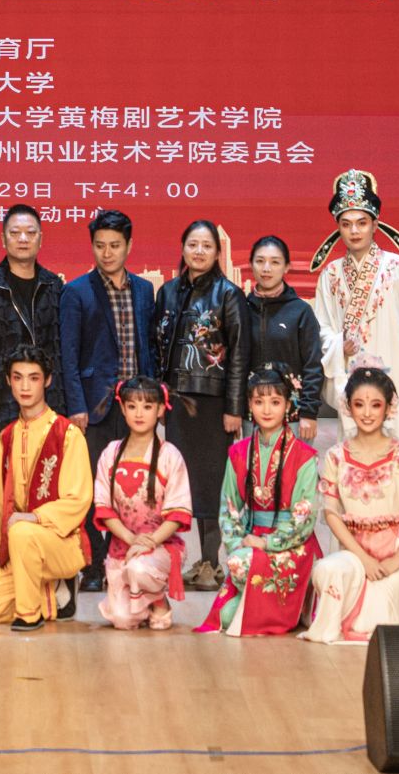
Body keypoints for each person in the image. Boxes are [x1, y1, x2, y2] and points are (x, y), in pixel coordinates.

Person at [148, 217, 248, 592]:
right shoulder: (168, 292)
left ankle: (211, 562)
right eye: (193, 244)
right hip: (177, 402)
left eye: (207, 245)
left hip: (214, 404)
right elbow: (157, 346)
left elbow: (239, 354)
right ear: (183, 249)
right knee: (182, 482)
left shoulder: (229, 294)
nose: (199, 251)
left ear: (217, 252)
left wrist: (234, 407)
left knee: (212, 484)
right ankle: (192, 559)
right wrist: (159, 398)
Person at [60, 209, 157, 594]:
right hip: (94, 407)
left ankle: (128, 556)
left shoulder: (144, 290)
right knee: (92, 488)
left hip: (136, 406)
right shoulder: (76, 292)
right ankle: (95, 564)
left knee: (132, 486)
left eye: (115, 245)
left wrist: (154, 399)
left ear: (129, 245)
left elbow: (149, 348)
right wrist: (76, 405)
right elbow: (68, 355)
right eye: (100, 245)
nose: (107, 253)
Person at [303, 367, 399, 644]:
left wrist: (397, 559)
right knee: (326, 570)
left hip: (397, 553)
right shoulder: (336, 456)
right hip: (354, 551)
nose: (366, 413)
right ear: (348, 407)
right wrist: (364, 559)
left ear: (389, 408)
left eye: (375, 405)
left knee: (378, 621)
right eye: (359, 404)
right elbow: (331, 513)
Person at [0, 347, 93, 631]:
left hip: (62, 543)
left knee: (22, 531)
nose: (24, 386)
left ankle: (29, 614)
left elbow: (78, 500)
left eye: (33, 378)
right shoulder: (6, 438)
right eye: (18, 377)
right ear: (8, 381)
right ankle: (52, 595)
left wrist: (33, 518)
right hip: (19, 547)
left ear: (47, 380)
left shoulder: (67, 434)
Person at [197, 367, 322, 636]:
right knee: (228, 611)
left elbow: (304, 517)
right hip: (250, 542)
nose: (266, 410)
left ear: (288, 405)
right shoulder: (238, 452)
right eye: (258, 401)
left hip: (292, 544)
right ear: (249, 405)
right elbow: (229, 507)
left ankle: (290, 606)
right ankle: (277, 608)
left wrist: (267, 543)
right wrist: (235, 544)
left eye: (275, 402)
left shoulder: (304, 456)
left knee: (240, 579)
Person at [313, 169, 399, 442]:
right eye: (346, 224)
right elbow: (321, 328)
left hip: (397, 377)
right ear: (338, 227)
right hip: (351, 378)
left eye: (362, 223)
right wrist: (338, 345)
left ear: (375, 225)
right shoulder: (330, 274)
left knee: (398, 451)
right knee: (354, 454)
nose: (354, 231)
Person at [0, 203, 68, 447]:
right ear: (3, 239)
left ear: (41, 239)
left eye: (30, 233)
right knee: (4, 466)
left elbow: (68, 348)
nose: (23, 239)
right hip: (0, 402)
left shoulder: (55, 287)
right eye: (15, 232)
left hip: (50, 402)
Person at [93, 377, 193, 631]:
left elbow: (177, 513)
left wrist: (148, 543)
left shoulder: (170, 455)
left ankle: (158, 599)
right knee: (122, 620)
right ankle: (141, 598)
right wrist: (131, 539)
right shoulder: (110, 453)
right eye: (132, 406)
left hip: (160, 546)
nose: (139, 413)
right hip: (122, 546)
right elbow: (103, 507)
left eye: (147, 406)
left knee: (138, 569)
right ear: (122, 408)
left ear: (160, 409)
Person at [243, 236, 322, 443]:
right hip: (251, 414)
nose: (266, 268)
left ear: (287, 267)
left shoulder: (301, 311)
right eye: (260, 261)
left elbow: (313, 365)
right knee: (255, 464)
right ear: (251, 265)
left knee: (293, 464)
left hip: (293, 415)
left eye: (275, 262)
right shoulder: (241, 310)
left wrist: (309, 412)